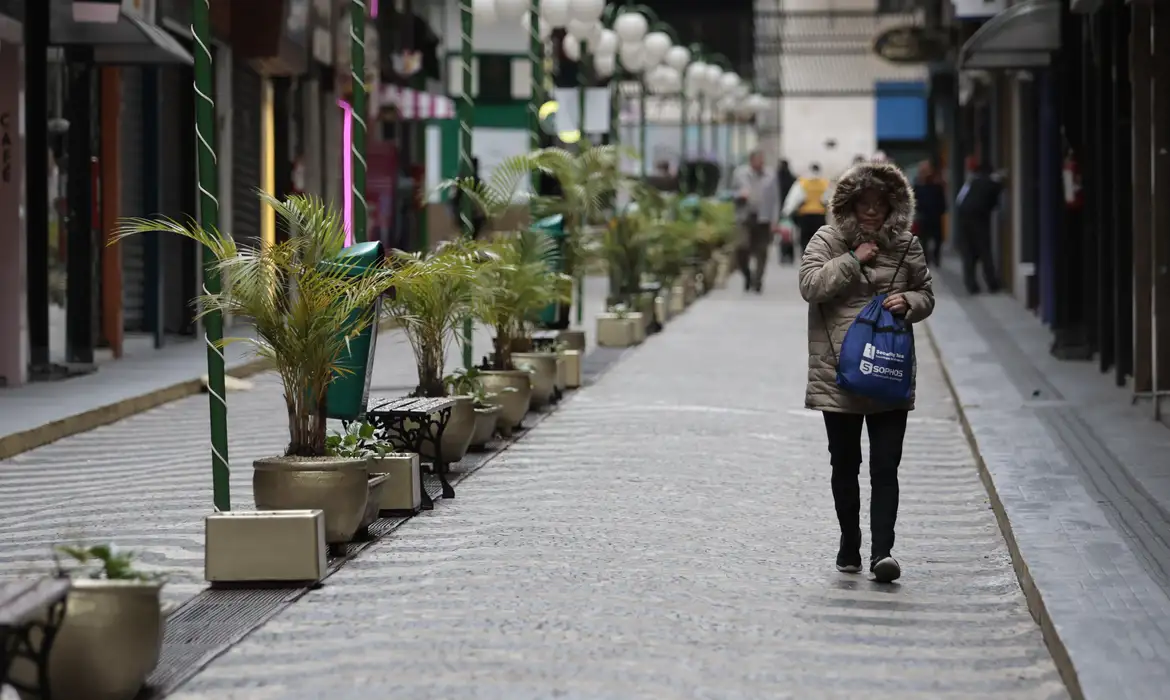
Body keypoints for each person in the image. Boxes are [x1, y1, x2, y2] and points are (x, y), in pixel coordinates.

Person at [798, 161, 935, 584]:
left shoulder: (907, 246)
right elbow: (810, 286)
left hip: (888, 370)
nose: (873, 211)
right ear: (850, 205)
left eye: (880, 204)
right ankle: (849, 542)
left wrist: (909, 302)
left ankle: (882, 552)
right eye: (865, 203)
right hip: (837, 373)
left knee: (886, 465)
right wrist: (852, 261)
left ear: (893, 206)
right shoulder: (827, 239)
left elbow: (926, 294)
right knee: (845, 463)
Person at [730, 149, 780, 293]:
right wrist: (740, 194)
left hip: (763, 218)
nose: (761, 163)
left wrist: (774, 220)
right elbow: (731, 193)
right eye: (758, 160)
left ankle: (758, 280)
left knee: (762, 251)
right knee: (741, 247)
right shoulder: (740, 174)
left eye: (762, 160)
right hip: (745, 217)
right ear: (751, 161)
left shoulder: (770, 175)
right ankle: (747, 275)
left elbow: (775, 199)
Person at [955, 155, 1003, 294]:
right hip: (979, 220)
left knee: (969, 253)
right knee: (985, 251)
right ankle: (992, 284)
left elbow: (959, 200)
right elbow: (996, 201)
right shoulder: (991, 183)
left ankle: (971, 285)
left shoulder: (971, 183)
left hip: (964, 219)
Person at [782, 163, 830, 251]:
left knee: (805, 241)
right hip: (820, 215)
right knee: (819, 240)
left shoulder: (802, 182)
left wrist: (786, 211)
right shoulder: (824, 183)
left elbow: (795, 198)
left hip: (805, 216)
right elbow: (827, 199)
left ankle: (806, 255)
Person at [912, 160, 946, 266]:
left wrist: (940, 211)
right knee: (924, 240)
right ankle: (926, 258)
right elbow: (914, 202)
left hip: (935, 217)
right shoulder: (917, 187)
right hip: (923, 217)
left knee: (938, 239)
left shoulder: (937, 186)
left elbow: (942, 202)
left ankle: (935, 257)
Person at [776, 160, 798, 264]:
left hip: (781, 210)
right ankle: (789, 255)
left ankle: (784, 254)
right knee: (789, 234)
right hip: (790, 210)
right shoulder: (792, 178)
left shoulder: (776, 178)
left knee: (783, 234)